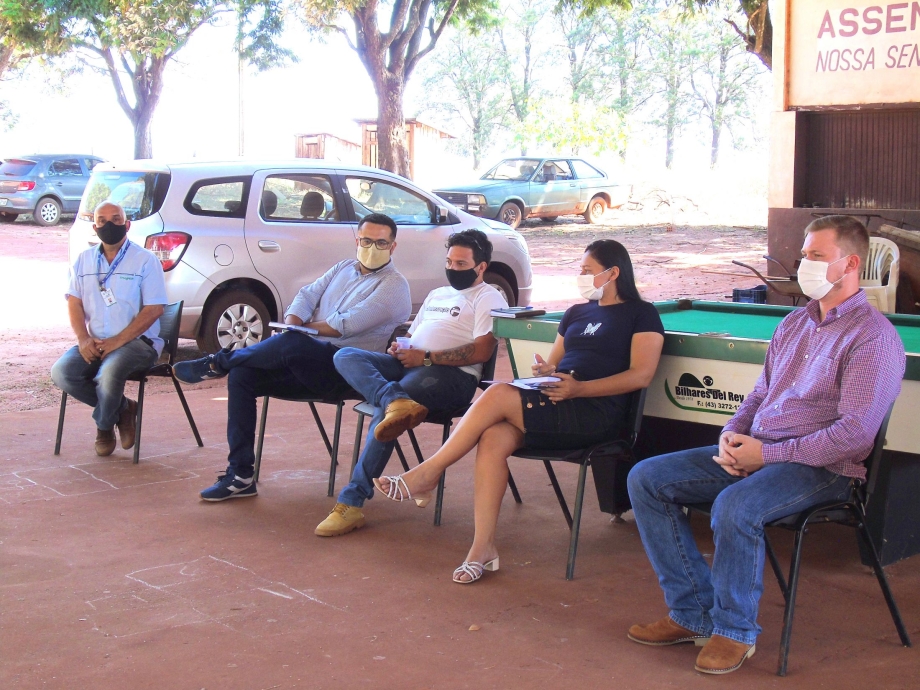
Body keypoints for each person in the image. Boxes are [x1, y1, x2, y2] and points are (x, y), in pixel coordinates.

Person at [626, 215, 905, 675]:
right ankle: (692, 614)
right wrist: (731, 435)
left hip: (826, 469)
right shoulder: (795, 323)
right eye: (805, 254)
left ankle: (734, 631)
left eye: (817, 256)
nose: (804, 264)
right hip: (761, 450)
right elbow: (760, 394)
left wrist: (766, 455)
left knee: (736, 506)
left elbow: (854, 435)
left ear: (850, 263)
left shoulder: (872, 338)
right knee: (647, 478)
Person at [372, 239, 665, 583]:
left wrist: (580, 388)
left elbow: (641, 374)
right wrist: (546, 371)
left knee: (497, 393)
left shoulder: (641, 313)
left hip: (595, 412)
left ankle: (428, 473)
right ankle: (483, 549)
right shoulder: (576, 313)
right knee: (494, 437)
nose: (581, 276)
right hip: (557, 399)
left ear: (612, 272)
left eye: (587, 271)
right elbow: (555, 362)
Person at [174, 213, 411, 501]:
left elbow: (345, 325)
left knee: (292, 342)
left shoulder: (395, 286)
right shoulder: (343, 267)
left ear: (394, 247)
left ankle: (217, 362)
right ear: (356, 240)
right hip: (307, 364)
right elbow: (306, 296)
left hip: (345, 373)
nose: (372, 248)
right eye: (366, 241)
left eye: (381, 243)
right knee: (243, 375)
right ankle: (240, 475)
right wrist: (293, 321)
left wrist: (297, 332)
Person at [314, 229, 508, 536]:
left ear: (481, 266)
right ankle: (393, 399)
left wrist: (427, 357)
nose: (452, 269)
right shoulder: (437, 295)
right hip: (410, 365)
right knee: (346, 356)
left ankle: (352, 502)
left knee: (390, 411)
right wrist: (400, 347)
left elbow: (483, 350)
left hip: (450, 377)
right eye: (449, 262)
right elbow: (412, 335)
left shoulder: (489, 296)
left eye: (460, 264)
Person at [51, 201, 168, 456]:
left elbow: (154, 309)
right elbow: (74, 301)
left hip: (139, 343)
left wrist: (118, 341)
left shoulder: (145, 260)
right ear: (95, 227)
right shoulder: (84, 260)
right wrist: (83, 339)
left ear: (127, 224)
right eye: (102, 220)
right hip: (97, 342)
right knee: (62, 372)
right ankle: (124, 408)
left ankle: (104, 427)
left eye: (116, 219)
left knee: (109, 372)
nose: (109, 224)